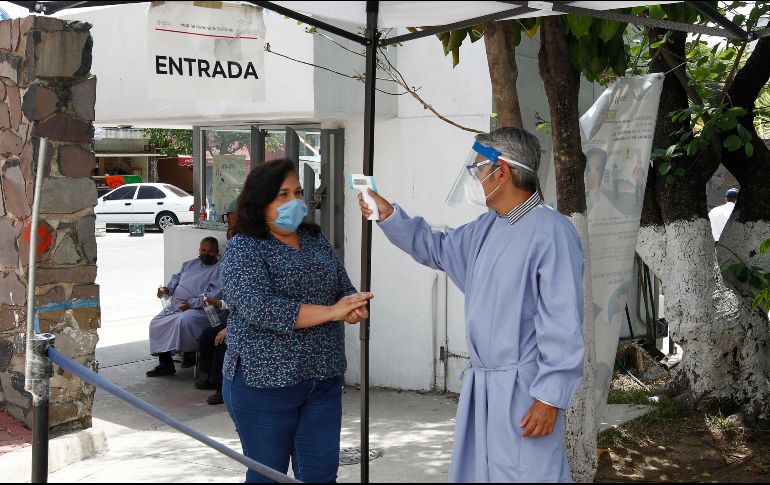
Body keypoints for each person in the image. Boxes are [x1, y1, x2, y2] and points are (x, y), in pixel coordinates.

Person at [360, 128, 585, 483]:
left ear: (502, 172)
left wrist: (549, 398)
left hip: (526, 390)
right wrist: (389, 215)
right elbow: (437, 248)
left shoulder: (552, 231)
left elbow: (563, 322)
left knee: (527, 473)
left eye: (479, 168)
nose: (475, 178)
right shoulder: (486, 227)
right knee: (480, 473)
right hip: (483, 387)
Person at [221, 159, 373, 483]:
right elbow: (260, 308)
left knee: (321, 475)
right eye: (283, 194)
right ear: (260, 202)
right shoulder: (243, 248)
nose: (295, 201)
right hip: (264, 383)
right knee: (268, 476)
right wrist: (332, 312)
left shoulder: (315, 239)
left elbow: (341, 286)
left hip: (322, 377)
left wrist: (352, 306)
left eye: (299, 192)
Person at [147, 237, 224, 377]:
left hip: (202, 309)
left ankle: (189, 352)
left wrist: (191, 304)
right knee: (155, 323)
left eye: (210, 251)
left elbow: (214, 295)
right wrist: (166, 290)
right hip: (177, 306)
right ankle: (165, 364)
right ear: (199, 250)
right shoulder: (189, 264)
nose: (206, 254)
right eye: (203, 250)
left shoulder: (219, 270)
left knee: (185, 320)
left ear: (216, 252)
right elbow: (175, 280)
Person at [194, 296, 228, 405]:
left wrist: (229, 328)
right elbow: (234, 304)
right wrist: (218, 303)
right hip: (235, 319)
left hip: (247, 324)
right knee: (207, 334)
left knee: (222, 341)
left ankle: (221, 387)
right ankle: (208, 376)